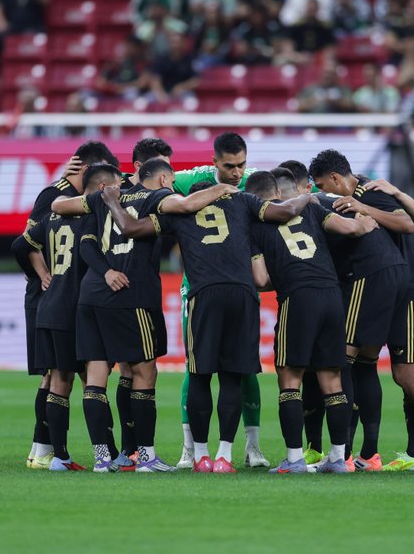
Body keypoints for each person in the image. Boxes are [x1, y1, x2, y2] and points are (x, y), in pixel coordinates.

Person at [102, 161, 317, 473]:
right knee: (233, 376)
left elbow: (131, 228)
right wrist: (306, 198)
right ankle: (224, 456)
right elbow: (283, 212)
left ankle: (199, 454)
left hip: (204, 295)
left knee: (200, 374)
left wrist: (112, 202)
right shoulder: (243, 202)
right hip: (243, 295)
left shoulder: (182, 213)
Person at [51, 159, 236, 472]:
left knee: (95, 377)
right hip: (130, 295)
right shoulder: (154, 197)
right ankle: (146, 457)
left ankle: (102, 459)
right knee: (144, 371)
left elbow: (59, 204)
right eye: (172, 180)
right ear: (163, 178)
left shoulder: (103, 196)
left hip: (90, 296)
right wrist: (226, 187)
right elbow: (189, 203)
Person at [310, 150, 414, 472]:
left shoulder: (366, 194)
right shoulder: (369, 190)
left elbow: (408, 223)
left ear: (337, 178)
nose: (321, 192)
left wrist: (363, 206)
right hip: (401, 286)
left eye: (322, 185)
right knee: (402, 369)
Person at [247, 169, 378, 474]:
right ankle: (337, 458)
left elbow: (262, 278)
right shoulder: (312, 209)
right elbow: (350, 229)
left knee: (289, 380)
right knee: (332, 380)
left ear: (256, 199)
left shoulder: (256, 227)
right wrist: (364, 223)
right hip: (332, 297)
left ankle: (294, 460)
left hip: (298, 298)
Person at [11, 165, 126, 472]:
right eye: (116, 185)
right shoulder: (93, 215)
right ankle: (108, 454)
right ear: (101, 186)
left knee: (59, 381)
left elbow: (19, 244)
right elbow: (89, 251)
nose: (120, 190)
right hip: (77, 308)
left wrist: (42, 276)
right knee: (95, 381)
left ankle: (59, 457)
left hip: (49, 306)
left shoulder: (50, 216)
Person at [171, 133, 267, 469]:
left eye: (241, 164)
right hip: (204, 289)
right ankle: (196, 450)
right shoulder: (189, 180)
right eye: (230, 166)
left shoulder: (251, 180)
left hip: (223, 290)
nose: (237, 172)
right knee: (202, 370)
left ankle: (242, 448)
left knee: (232, 373)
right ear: (214, 163)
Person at [148, 33, 199, 105]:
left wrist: (182, 87)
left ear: (183, 43)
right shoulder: (161, 59)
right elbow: (155, 79)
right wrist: (160, 94)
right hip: (163, 92)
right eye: (172, 42)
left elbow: (196, 80)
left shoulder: (190, 60)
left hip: (183, 92)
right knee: (145, 100)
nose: (175, 45)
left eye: (177, 42)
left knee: (191, 101)